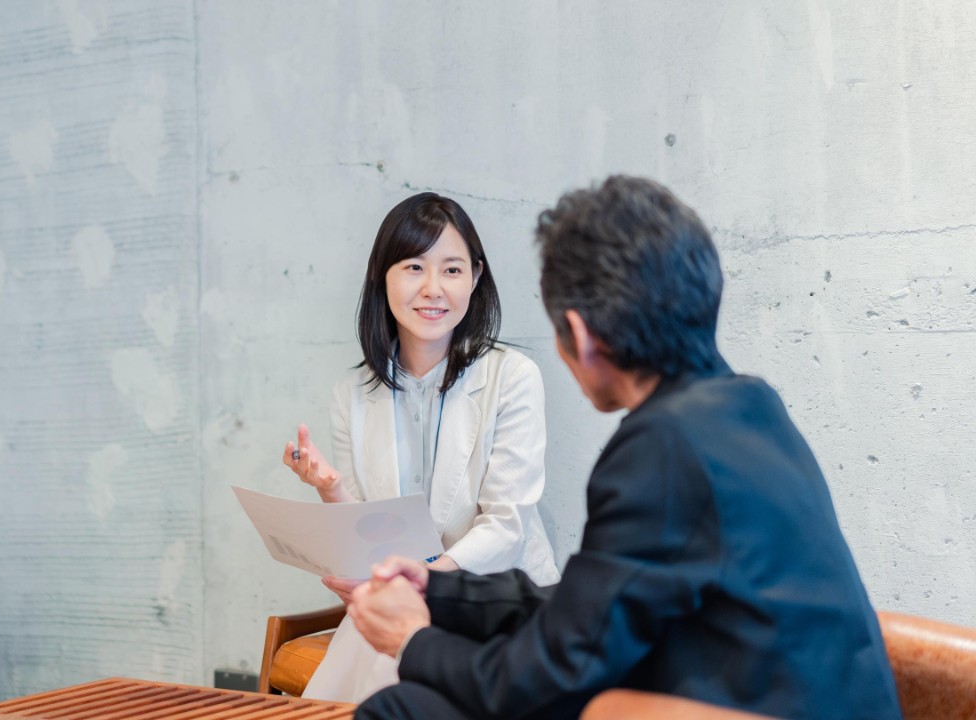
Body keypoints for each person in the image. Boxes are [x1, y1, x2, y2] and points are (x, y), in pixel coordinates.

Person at [346, 176, 902, 720]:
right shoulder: (750, 407)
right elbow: (592, 611)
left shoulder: (661, 449)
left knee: (404, 706)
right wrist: (442, 591)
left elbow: (552, 673)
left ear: (580, 335)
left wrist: (411, 640)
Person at [281, 192, 559, 703]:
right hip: (405, 598)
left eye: (452, 270)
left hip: (492, 599)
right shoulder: (353, 394)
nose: (433, 289)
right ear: (381, 277)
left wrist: (427, 583)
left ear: (475, 278)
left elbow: (507, 526)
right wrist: (331, 488)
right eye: (414, 266)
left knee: (394, 671)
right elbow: (371, 534)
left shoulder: (512, 377)